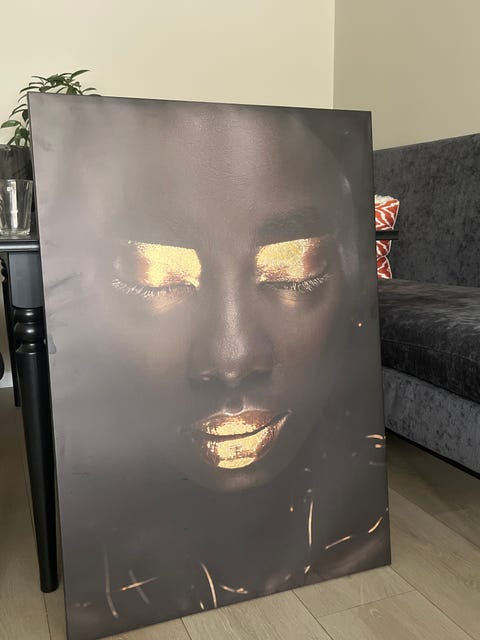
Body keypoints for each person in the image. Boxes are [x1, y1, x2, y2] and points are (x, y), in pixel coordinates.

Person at [31, 96, 389, 640]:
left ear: (354, 283)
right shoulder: (99, 587)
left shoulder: (361, 526)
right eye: (155, 277)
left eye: (293, 271)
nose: (231, 357)